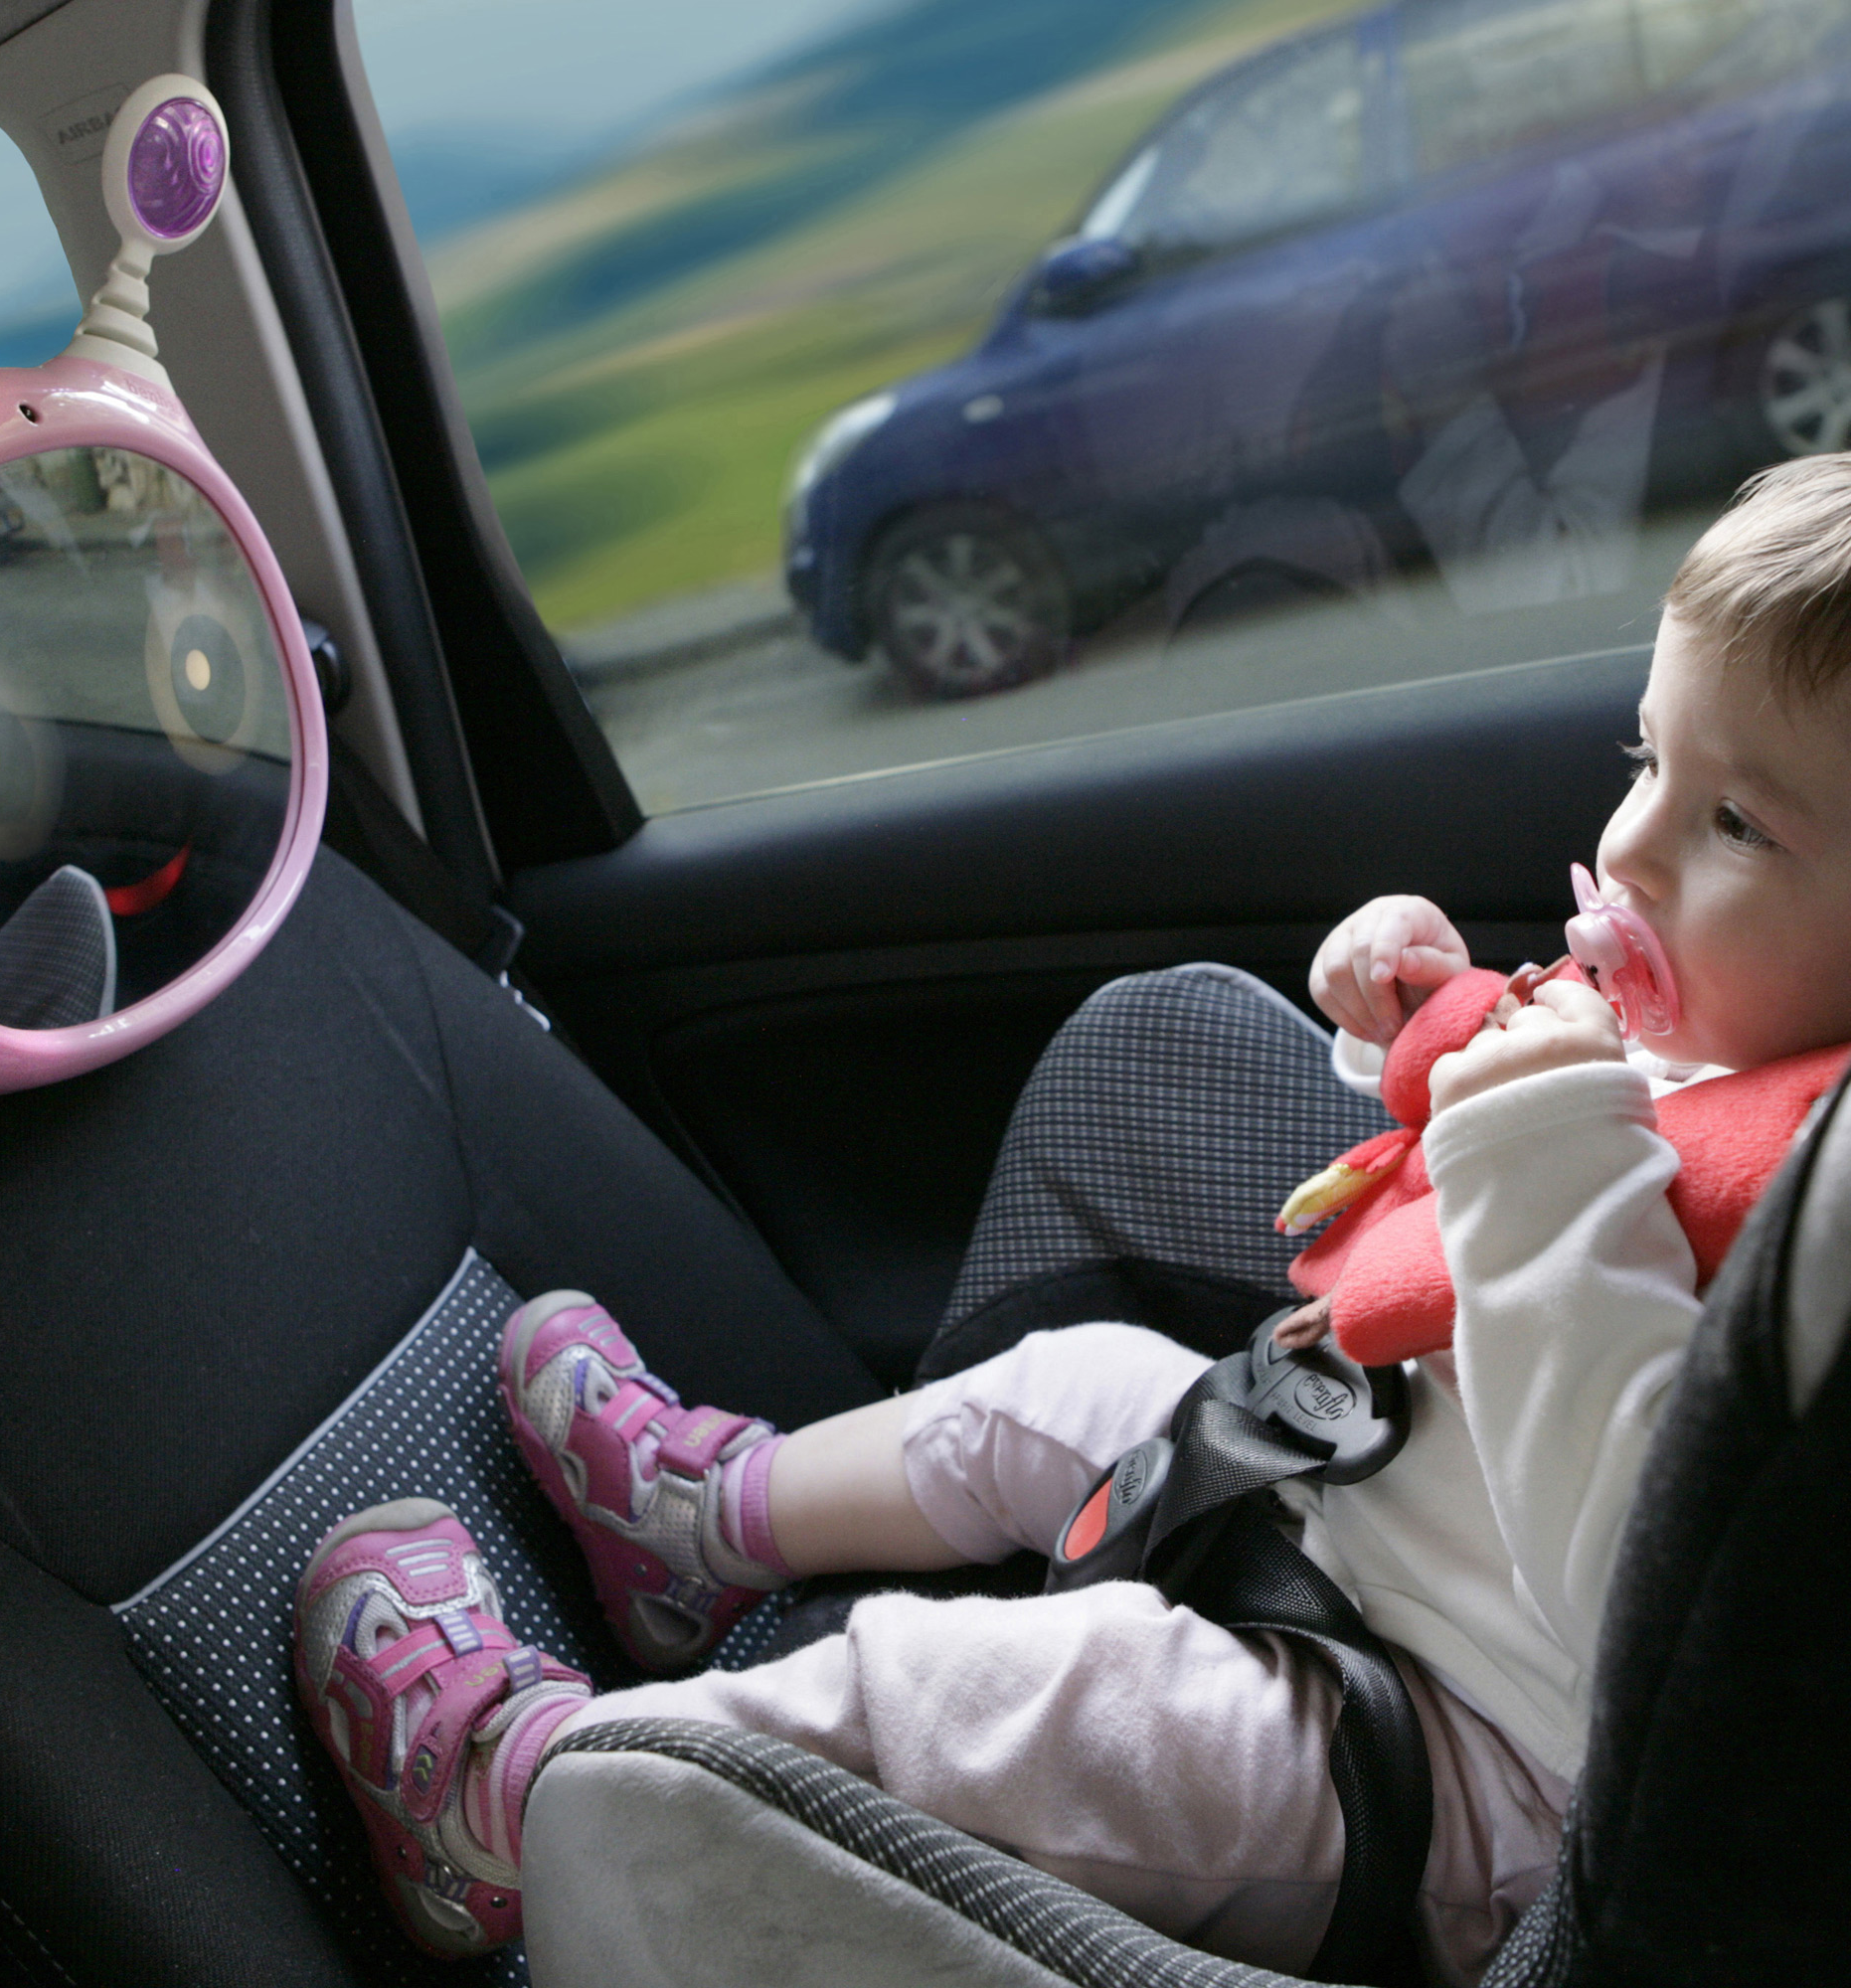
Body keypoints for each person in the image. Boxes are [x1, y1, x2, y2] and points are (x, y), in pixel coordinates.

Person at [293, 453, 1851, 1982]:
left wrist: (1536, 1133)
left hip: (1466, 1764)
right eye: (1650, 762)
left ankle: (512, 1802)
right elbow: (1496, 1155)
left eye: (1739, 827)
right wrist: (1410, 1019)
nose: (1636, 843)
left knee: (1025, 1707)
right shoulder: (1737, 1020)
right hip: (1347, 1497)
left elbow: (1653, 1590)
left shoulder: (1827, 1224)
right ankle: (708, 1524)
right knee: (1074, 1386)